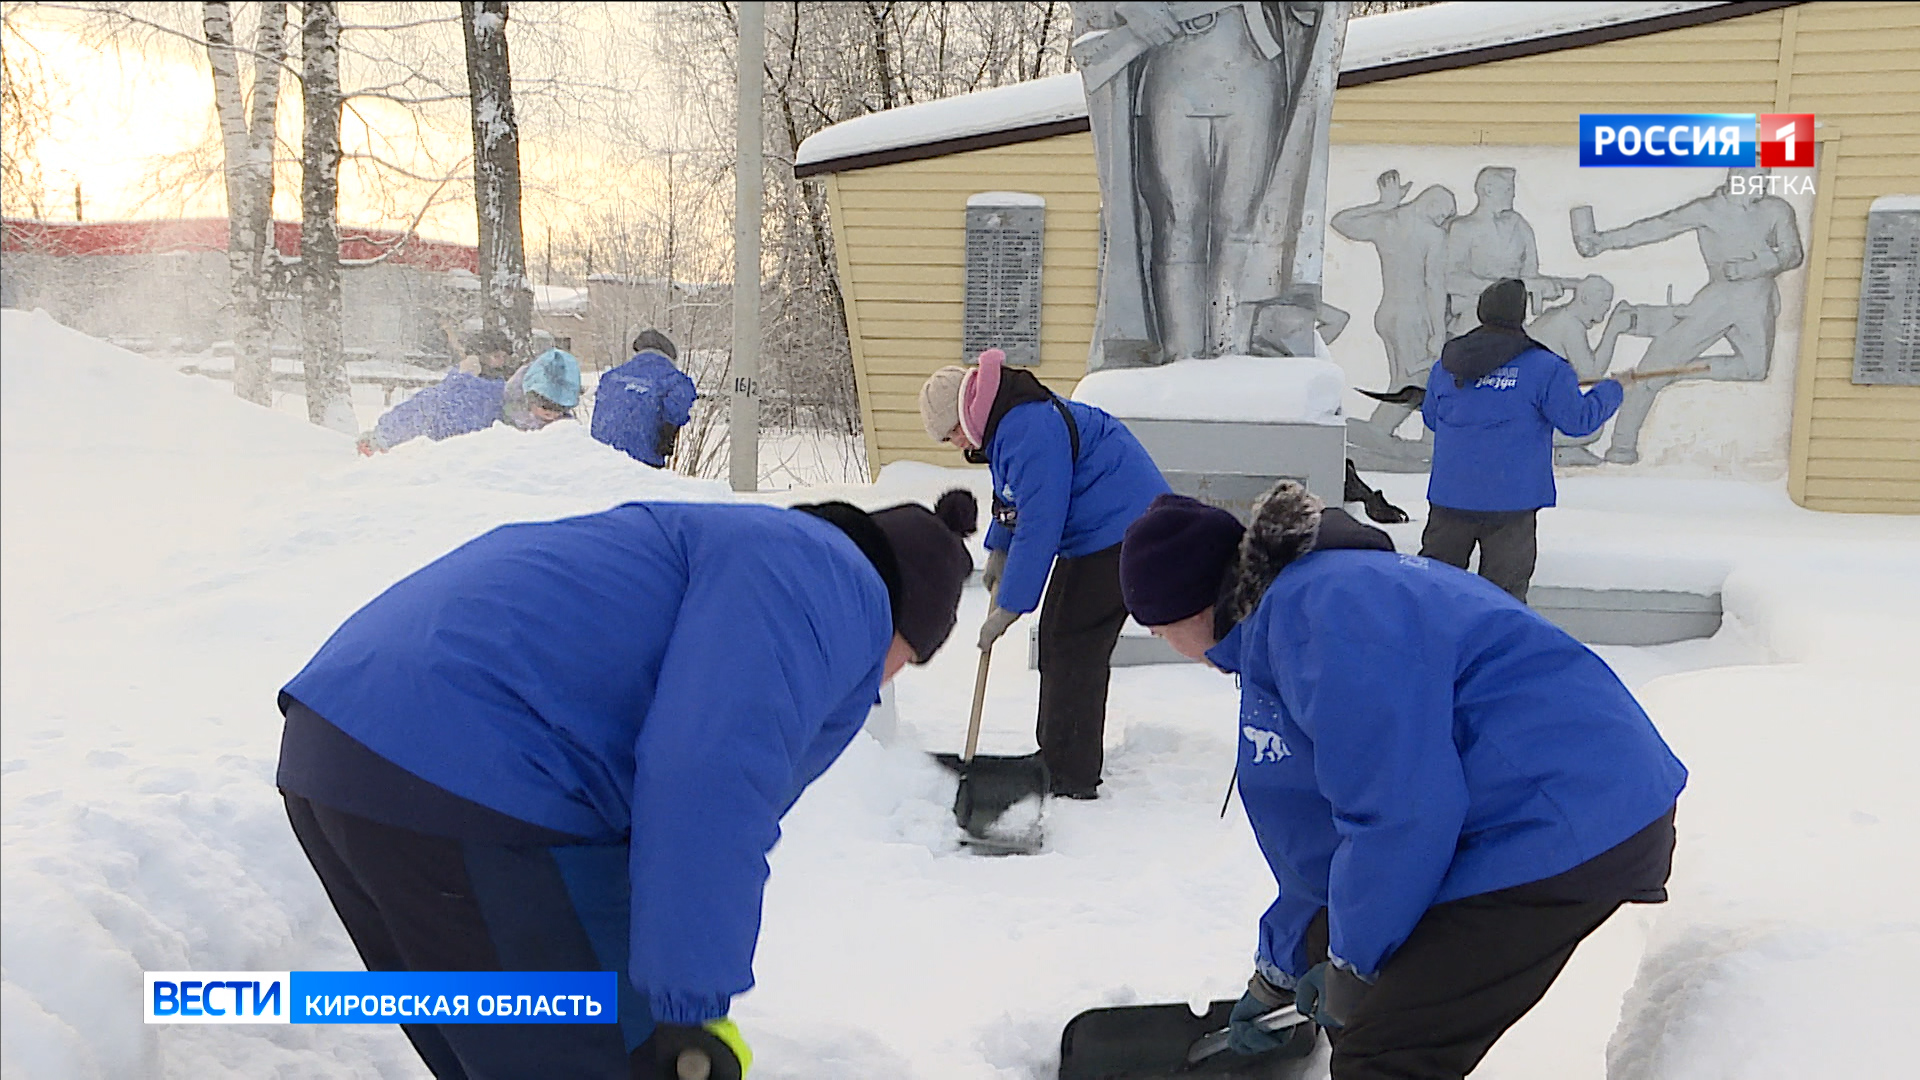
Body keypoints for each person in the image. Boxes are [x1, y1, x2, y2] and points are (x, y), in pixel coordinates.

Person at [276, 489, 979, 1080]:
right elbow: (708, 781)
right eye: (903, 663)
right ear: (901, 622)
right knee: (608, 1053)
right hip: (472, 775)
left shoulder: (737, 545)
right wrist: (690, 1009)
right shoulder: (830, 585)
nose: (881, 685)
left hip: (339, 750)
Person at [1117, 482, 1688, 1080]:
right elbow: (1320, 837)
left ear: (1190, 609)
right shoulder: (1284, 623)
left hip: (1569, 816)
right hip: (1521, 807)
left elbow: (1400, 813)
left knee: (1388, 1054)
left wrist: (1354, 967)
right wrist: (1279, 972)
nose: (1170, 648)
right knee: (1344, 954)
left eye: (1159, 632)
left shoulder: (1320, 620)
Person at [919, 347, 1169, 800]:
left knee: (1073, 642)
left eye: (951, 433)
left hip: (1124, 529)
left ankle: (1070, 773)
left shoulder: (1025, 425)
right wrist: (997, 549)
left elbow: (1041, 521)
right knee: (1058, 635)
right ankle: (1056, 755)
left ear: (965, 413)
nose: (956, 444)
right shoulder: (1006, 422)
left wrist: (1011, 605)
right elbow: (1014, 496)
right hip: (1101, 530)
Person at [1418, 279, 1623, 603]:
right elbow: (1579, 421)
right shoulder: (1545, 367)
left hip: (1451, 498)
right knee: (1504, 602)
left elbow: (1431, 418)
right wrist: (1613, 389)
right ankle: (1497, 653)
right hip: (1511, 503)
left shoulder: (1447, 365)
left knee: (1435, 593)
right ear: (1520, 316)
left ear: (1481, 312)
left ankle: (1431, 650)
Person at [357, 345, 580, 456]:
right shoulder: (480, 401)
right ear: (527, 393)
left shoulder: (565, 437)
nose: (551, 414)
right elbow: (425, 410)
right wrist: (382, 438)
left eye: (561, 408)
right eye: (544, 403)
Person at [592, 329, 699, 468]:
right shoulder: (676, 380)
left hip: (601, 456)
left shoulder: (611, 376)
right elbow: (676, 409)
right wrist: (666, 437)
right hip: (643, 459)